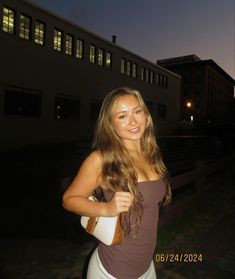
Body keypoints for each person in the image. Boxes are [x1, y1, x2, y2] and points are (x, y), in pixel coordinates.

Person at [63, 87, 171, 279]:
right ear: (110, 124)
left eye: (137, 111)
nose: (133, 121)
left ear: (146, 114)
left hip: (146, 266)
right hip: (113, 270)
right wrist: (107, 209)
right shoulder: (101, 159)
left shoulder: (151, 154)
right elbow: (69, 199)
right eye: (122, 116)